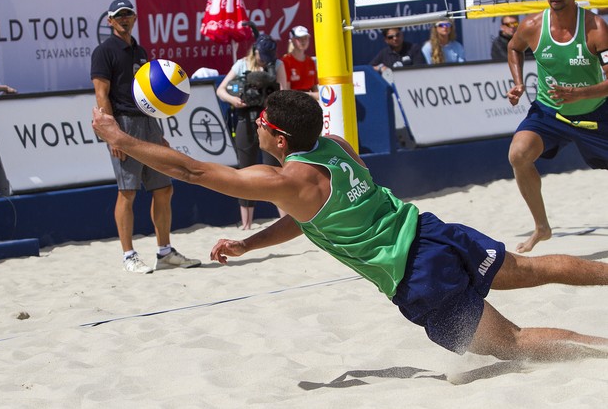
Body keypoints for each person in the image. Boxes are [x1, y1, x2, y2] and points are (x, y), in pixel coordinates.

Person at [93, 89, 608, 361]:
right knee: (530, 267)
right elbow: (312, 218)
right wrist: (252, 243)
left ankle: (601, 349)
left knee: (510, 343)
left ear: (276, 137)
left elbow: (192, 169)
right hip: (431, 231)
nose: (255, 125)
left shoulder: (286, 179)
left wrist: (120, 136)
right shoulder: (335, 146)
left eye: (260, 123)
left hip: (416, 275)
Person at [90, 0, 200, 274]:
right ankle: (129, 255)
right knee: (127, 192)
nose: (124, 19)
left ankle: (164, 252)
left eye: (128, 14)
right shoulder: (104, 51)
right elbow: (101, 94)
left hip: (148, 123)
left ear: (135, 17)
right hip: (124, 124)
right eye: (119, 16)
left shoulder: (140, 50)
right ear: (110, 21)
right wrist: (113, 134)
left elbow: (148, 97)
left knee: (164, 189)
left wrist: (159, 133)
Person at [507, 0, 608, 253]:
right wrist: (518, 83)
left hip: (596, 112)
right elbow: (514, 48)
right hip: (549, 112)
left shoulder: (596, 28)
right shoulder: (532, 26)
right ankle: (542, 227)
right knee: (518, 154)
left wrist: (581, 94)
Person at [215, 32, 289, 230]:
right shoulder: (241, 65)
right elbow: (221, 89)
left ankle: (285, 218)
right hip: (245, 119)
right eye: (263, 56)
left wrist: (270, 98)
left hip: (269, 121)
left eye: (268, 57)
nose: (265, 60)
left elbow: (284, 90)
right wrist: (234, 100)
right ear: (256, 51)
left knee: (274, 169)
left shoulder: (278, 65)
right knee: (245, 170)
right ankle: (246, 223)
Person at [281, 25, 318, 100]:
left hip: (309, 102)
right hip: (294, 103)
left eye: (305, 38)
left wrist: (309, 95)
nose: (303, 41)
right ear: (292, 40)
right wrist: (307, 95)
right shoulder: (286, 61)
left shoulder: (310, 61)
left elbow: (316, 91)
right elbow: (286, 91)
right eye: (299, 38)